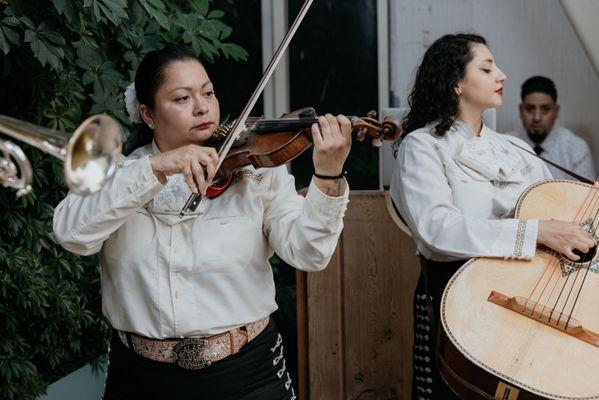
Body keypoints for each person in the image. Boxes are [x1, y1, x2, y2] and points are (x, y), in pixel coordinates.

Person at [53, 44, 352, 400]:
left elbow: (309, 254)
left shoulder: (256, 173)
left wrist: (328, 177)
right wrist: (155, 170)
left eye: (208, 93)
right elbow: (70, 233)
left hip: (248, 374)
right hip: (141, 379)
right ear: (148, 115)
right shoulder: (120, 176)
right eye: (182, 98)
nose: (202, 108)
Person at [390, 33, 595, 399]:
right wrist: (535, 232)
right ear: (456, 83)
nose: (501, 76)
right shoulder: (422, 146)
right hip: (463, 301)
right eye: (486, 68)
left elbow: (558, 216)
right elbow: (436, 230)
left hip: (532, 295)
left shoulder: (514, 148)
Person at [506, 75, 596, 181]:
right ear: (521, 111)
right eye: (530, 109)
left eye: (545, 109)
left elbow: (587, 196)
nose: (537, 117)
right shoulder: (507, 145)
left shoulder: (576, 148)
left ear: (556, 111)